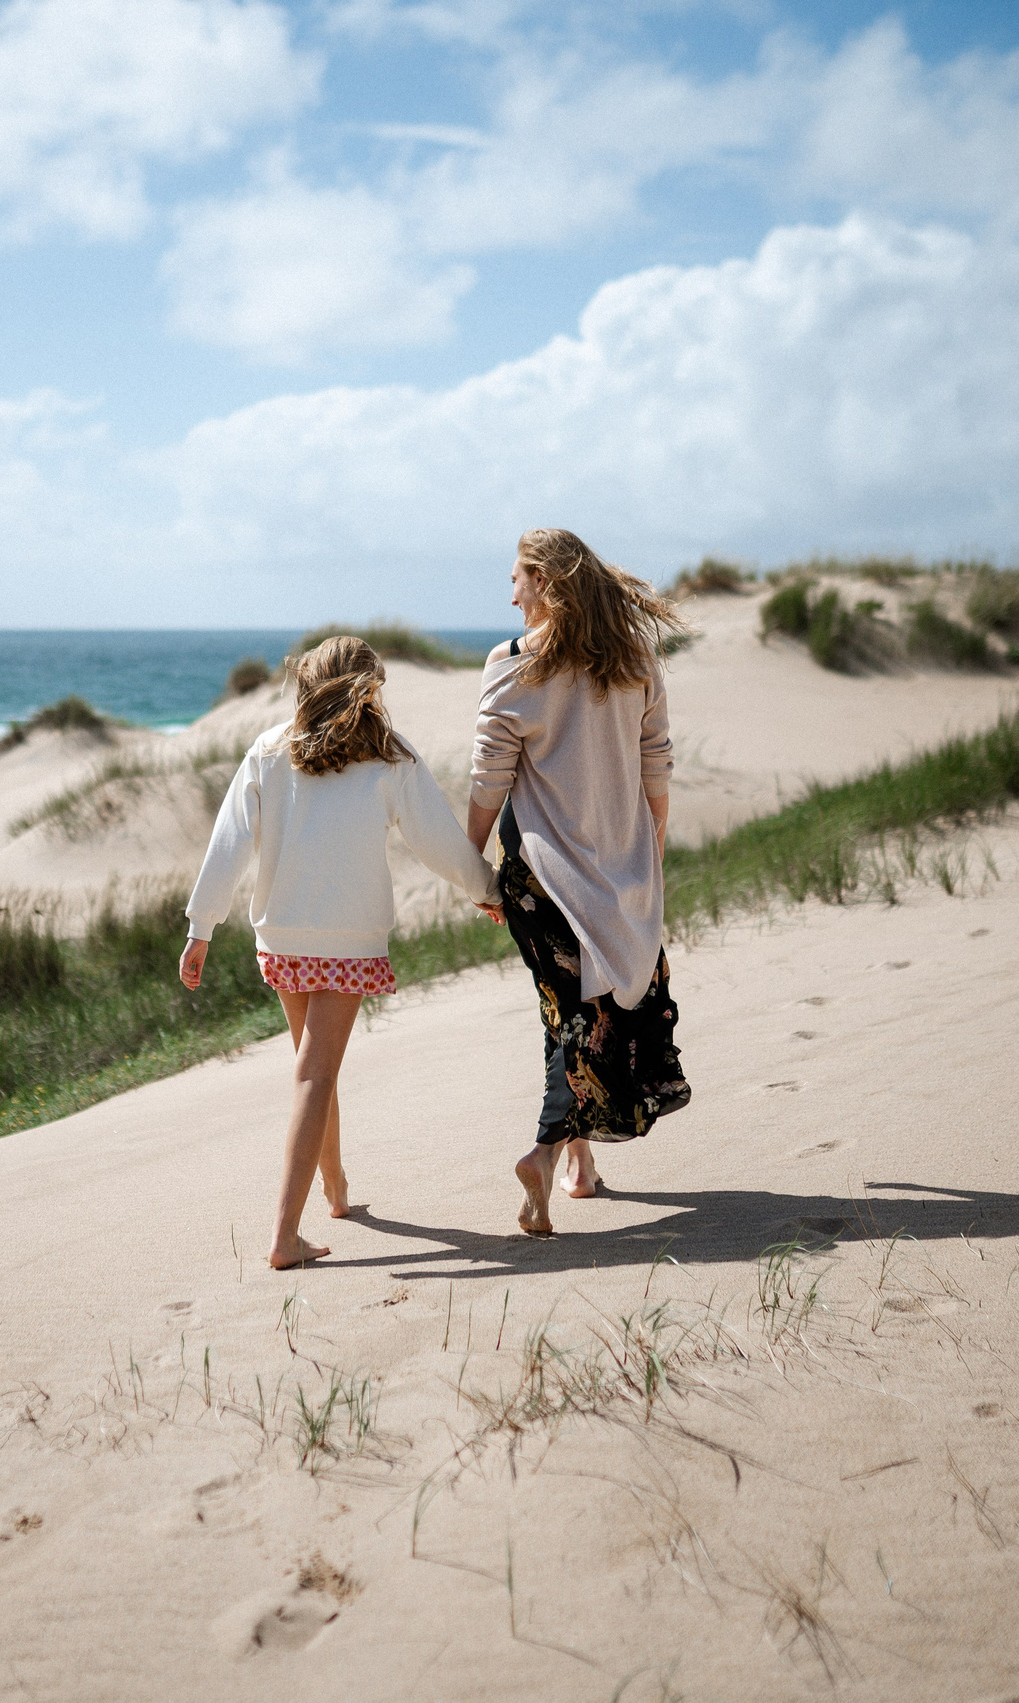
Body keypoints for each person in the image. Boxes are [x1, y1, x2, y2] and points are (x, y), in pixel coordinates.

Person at [182, 635, 497, 1269]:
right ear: (370, 690)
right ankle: (283, 1237)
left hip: (284, 938)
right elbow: (437, 839)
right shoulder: (389, 758)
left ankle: (336, 1187)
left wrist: (201, 927)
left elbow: (229, 842)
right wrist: (486, 888)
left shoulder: (271, 751)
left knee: (311, 1068)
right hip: (348, 942)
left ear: (305, 684)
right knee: (315, 1072)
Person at [467, 527, 692, 1238]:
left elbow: (486, 785)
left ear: (546, 580)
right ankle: (563, 1160)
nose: (510, 594)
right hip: (617, 868)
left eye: (517, 578)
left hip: (537, 878)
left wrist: (472, 869)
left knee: (565, 1012)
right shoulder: (636, 662)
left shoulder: (510, 667)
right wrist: (649, 856)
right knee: (586, 1015)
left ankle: (561, 1157)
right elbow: (656, 770)